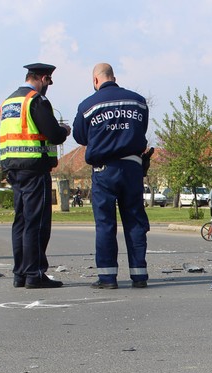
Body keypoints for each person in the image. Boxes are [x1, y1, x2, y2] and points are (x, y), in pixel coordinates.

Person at [73, 62, 151, 289]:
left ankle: (107, 278)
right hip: (132, 168)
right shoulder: (138, 101)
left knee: (106, 224)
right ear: (113, 77)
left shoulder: (88, 105)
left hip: (104, 170)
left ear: (95, 81)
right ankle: (139, 276)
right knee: (135, 221)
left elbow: (80, 136)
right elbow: (141, 129)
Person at [0, 62, 71, 289]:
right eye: (48, 81)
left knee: (20, 221)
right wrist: (64, 131)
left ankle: (20, 273)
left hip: (13, 168)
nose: (49, 86)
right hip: (34, 168)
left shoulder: (9, 101)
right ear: (41, 78)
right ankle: (35, 274)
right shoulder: (36, 101)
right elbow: (53, 134)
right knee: (36, 222)